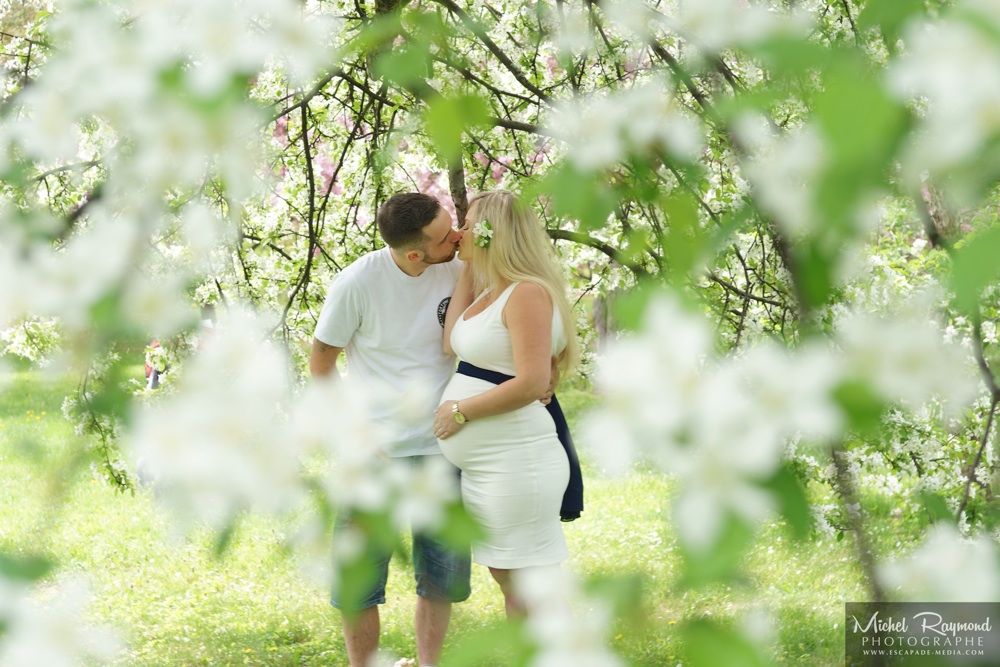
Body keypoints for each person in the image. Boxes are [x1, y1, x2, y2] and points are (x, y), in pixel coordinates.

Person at [310, 192, 471, 667]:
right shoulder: (358, 282)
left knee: (441, 576)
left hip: (443, 450)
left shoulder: (459, 268)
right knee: (359, 581)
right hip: (373, 456)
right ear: (415, 253)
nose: (458, 238)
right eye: (446, 237)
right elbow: (321, 362)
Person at [432, 189, 582, 619]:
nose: (459, 232)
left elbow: (533, 380)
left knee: (534, 587)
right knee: (510, 580)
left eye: (469, 224)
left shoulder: (527, 294)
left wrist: (460, 411)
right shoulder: (492, 291)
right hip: (492, 467)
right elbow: (450, 342)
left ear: (493, 233)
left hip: (519, 462)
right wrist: (469, 267)